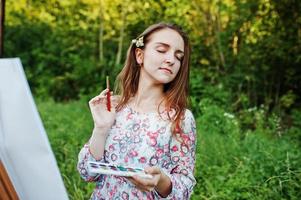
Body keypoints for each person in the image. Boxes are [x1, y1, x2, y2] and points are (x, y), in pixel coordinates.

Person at [77, 22, 197, 200]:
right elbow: (86, 172)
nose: (171, 59)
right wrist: (101, 128)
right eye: (162, 50)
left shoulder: (180, 118)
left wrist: (161, 181)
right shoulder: (116, 108)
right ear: (139, 55)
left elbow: (184, 188)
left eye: (178, 56)